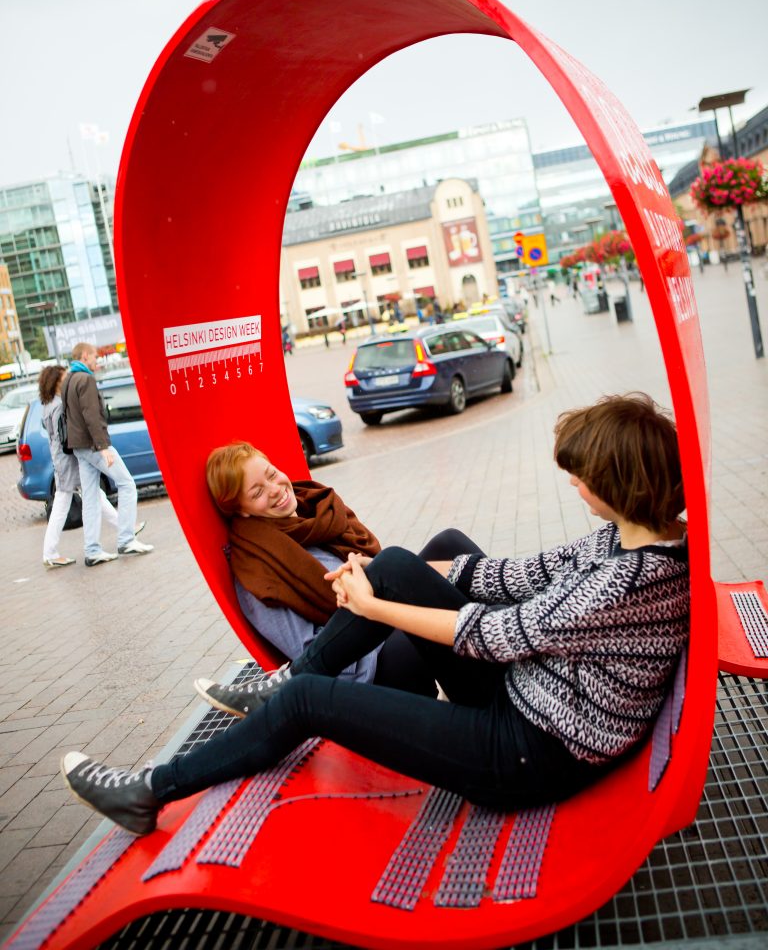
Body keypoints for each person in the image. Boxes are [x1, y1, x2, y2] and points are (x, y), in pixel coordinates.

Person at [61, 394, 689, 836]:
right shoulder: (630, 541)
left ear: (618, 482)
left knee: (310, 698)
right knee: (401, 558)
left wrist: (373, 605)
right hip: (529, 701)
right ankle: (288, 677)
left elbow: (494, 634)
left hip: (528, 753)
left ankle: (150, 790)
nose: (575, 488)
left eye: (581, 478)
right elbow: (514, 575)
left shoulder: (631, 580)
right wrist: (391, 578)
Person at [202, 441, 463, 697]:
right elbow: (314, 656)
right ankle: (480, 696)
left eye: (271, 474)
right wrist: (388, 616)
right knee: (424, 622)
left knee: (449, 543)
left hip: (389, 620)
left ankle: (491, 670)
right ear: (242, 511)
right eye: (257, 493)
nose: (274, 489)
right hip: (371, 667)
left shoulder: (315, 514)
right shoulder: (260, 573)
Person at [38, 366, 145, 569]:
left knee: (93, 495)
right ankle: (50, 552)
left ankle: (124, 526)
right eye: (62, 380)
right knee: (65, 500)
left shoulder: (47, 405)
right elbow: (65, 433)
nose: (66, 382)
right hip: (67, 459)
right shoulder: (58, 406)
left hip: (63, 458)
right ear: (56, 383)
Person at [64, 343, 153, 566]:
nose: (97, 361)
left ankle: (92, 550)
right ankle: (126, 539)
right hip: (94, 445)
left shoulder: (67, 381)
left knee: (92, 498)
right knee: (127, 484)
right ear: (85, 356)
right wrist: (103, 447)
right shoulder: (86, 379)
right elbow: (91, 416)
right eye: (94, 356)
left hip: (79, 447)